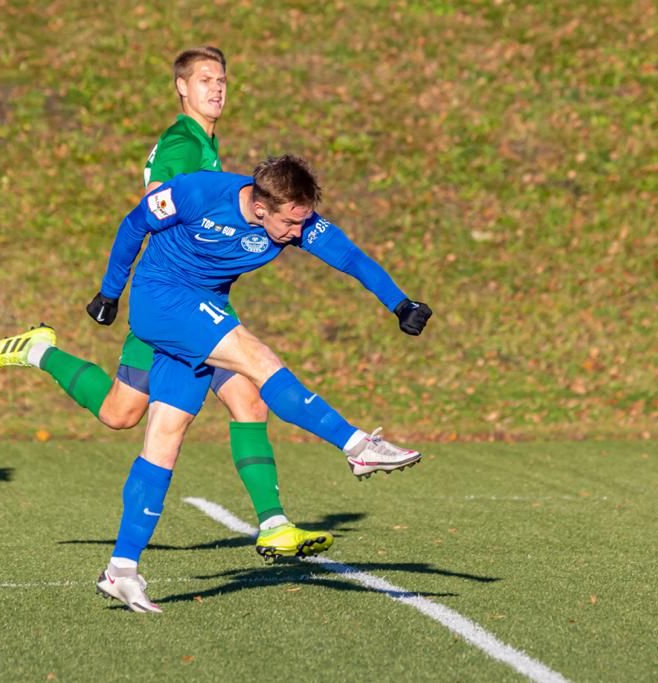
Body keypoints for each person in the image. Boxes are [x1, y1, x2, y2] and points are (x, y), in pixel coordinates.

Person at [0, 47, 313, 562]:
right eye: (205, 80)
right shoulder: (183, 144)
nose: (217, 89)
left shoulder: (205, 142)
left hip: (196, 304)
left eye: (222, 79)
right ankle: (39, 351)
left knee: (237, 401)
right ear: (182, 87)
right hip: (174, 304)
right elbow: (154, 208)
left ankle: (274, 525)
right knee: (122, 412)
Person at [92, 154, 432, 612]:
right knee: (259, 360)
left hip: (203, 303)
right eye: (291, 223)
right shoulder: (197, 193)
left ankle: (122, 569)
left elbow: (350, 257)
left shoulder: (296, 219)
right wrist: (110, 293)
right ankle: (356, 446)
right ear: (259, 208)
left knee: (164, 439)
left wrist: (400, 303)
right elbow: (135, 224)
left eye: (304, 220)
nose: (299, 232)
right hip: (162, 299)